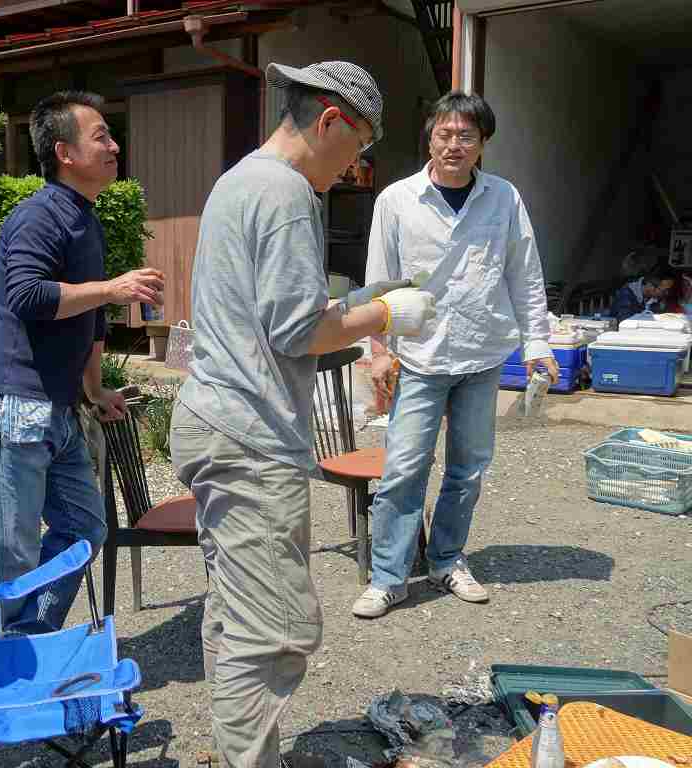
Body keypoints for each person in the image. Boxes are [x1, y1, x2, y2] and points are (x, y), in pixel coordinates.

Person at [169, 61, 436, 768]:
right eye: (359, 148)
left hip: (213, 419)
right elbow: (297, 332)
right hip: (249, 434)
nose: (355, 168)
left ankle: (238, 752)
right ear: (330, 121)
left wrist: (365, 300)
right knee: (276, 629)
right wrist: (386, 315)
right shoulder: (287, 192)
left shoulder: (240, 179)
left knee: (236, 609)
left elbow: (271, 312)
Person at [0, 91, 165, 637]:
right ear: (64, 152)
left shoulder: (85, 219)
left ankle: (30, 638)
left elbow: (91, 320)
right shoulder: (38, 215)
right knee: (14, 551)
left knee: (85, 527)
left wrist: (95, 391)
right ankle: (15, 664)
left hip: (57, 405)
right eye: (101, 136)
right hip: (13, 403)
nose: (114, 146)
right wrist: (111, 288)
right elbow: (27, 295)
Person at [352, 91, 558, 619]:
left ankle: (446, 561)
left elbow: (524, 273)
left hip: (481, 354)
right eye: (444, 134)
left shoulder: (504, 198)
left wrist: (537, 344)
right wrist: (379, 350)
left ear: (482, 143)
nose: (454, 145)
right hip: (419, 356)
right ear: (429, 138)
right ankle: (389, 577)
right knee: (404, 469)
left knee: (467, 469)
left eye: (466, 135)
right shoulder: (397, 199)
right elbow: (379, 279)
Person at [610, 270, 677, 324]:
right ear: (650, 286)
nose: (667, 293)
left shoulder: (655, 299)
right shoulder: (626, 296)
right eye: (664, 290)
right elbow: (625, 323)